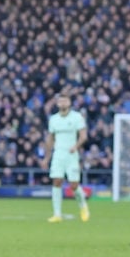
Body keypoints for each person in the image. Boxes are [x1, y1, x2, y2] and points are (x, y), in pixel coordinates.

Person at [40, 91, 90, 223]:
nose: (63, 103)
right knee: (56, 181)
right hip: (58, 154)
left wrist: (76, 146)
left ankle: (83, 206)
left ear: (69, 103)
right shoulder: (53, 119)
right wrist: (46, 157)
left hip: (72, 155)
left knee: (73, 185)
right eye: (60, 101)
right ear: (57, 103)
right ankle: (57, 214)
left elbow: (83, 136)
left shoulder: (77, 117)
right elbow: (50, 139)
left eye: (65, 101)